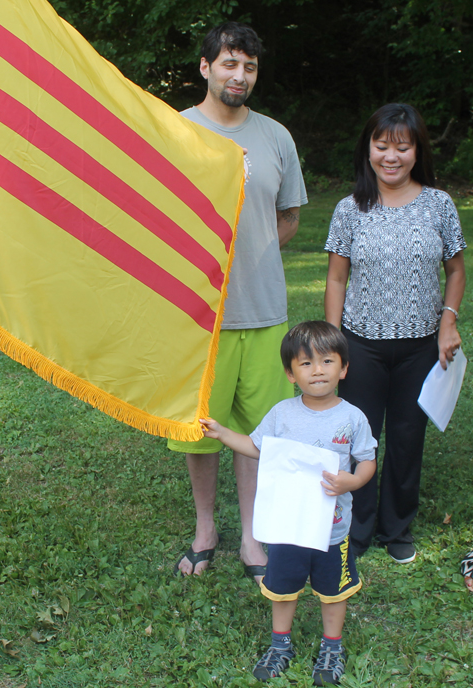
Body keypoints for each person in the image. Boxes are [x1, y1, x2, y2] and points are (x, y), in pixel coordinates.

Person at [168, 22, 308, 581]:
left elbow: (291, 215)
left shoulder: (276, 137)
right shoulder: (174, 132)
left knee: (258, 433)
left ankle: (252, 538)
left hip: (267, 310)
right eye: (229, 63)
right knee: (203, 429)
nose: (239, 75)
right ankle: (207, 528)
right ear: (206, 68)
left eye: (248, 66)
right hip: (201, 320)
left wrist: (250, 253)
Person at [324, 103, 466, 564]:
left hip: (420, 347)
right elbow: (336, 280)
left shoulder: (439, 204)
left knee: (407, 437)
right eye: (382, 145)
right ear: (368, 149)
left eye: (402, 147)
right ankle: (358, 529)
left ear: (416, 151)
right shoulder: (350, 209)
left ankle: (397, 528)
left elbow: (457, 270)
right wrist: (332, 344)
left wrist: (448, 321)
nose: (391, 156)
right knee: (360, 439)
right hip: (360, 345)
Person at [201, 321, 377, 685]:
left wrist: (355, 479)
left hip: (333, 529)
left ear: (343, 368)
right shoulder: (282, 414)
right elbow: (256, 447)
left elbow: (368, 458)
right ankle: (280, 645)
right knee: (282, 587)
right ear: (290, 373)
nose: (318, 371)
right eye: (306, 363)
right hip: (287, 528)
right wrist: (222, 433)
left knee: (333, 591)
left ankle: (332, 647)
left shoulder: (352, 417)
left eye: (327, 362)